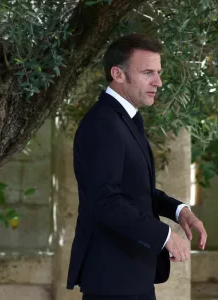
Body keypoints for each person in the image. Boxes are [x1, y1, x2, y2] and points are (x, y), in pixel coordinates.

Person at [66, 34, 208, 300]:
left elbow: (137, 190)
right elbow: (105, 200)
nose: (159, 82)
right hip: (112, 278)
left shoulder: (129, 119)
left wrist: (179, 211)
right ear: (118, 74)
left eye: (158, 72)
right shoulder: (102, 124)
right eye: (147, 73)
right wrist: (164, 236)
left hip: (131, 274)